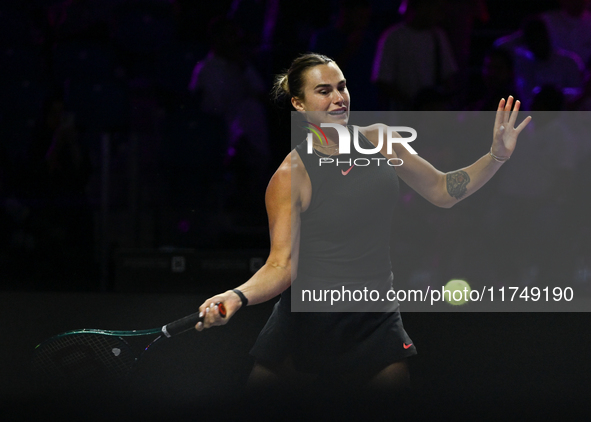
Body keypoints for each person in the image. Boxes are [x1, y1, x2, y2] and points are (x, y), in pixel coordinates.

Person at [194, 53, 531, 395]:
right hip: (308, 324)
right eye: (323, 91)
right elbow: (281, 266)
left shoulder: (381, 141)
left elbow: (443, 190)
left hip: (375, 317)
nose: (339, 98)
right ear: (298, 103)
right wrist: (236, 296)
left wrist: (497, 156)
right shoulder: (290, 176)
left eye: (341, 87)